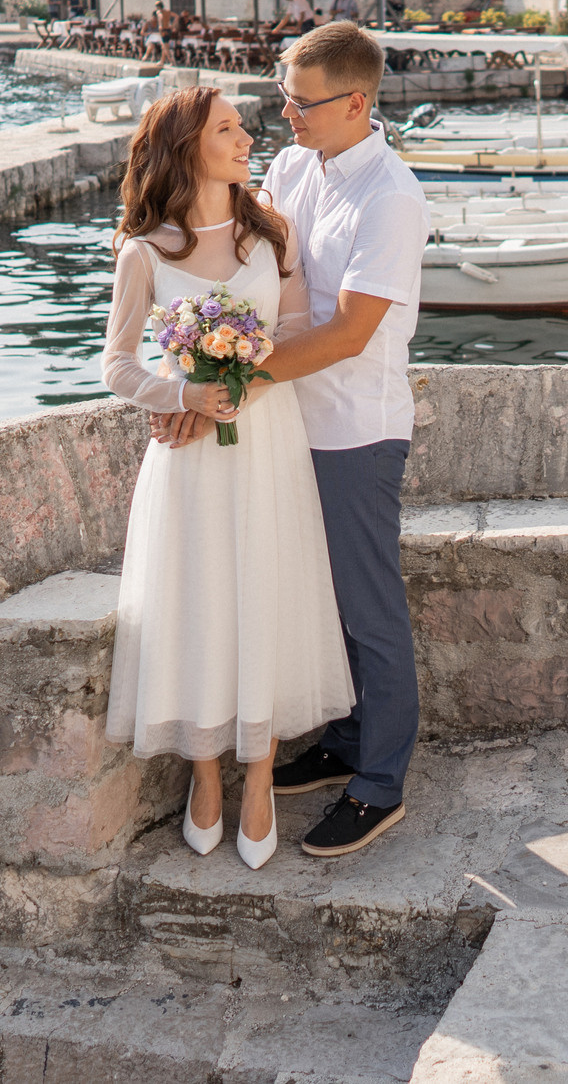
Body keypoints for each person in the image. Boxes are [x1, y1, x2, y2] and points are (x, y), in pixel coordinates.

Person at [156, 21, 428, 860]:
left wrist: (228, 386)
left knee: (366, 604)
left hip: (353, 428)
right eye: (281, 96)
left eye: (299, 101)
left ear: (355, 102)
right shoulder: (288, 168)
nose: (285, 113)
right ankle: (343, 742)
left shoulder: (392, 196)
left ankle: (380, 781)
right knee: (309, 594)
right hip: (285, 427)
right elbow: (243, 270)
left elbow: (348, 332)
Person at [100, 87, 355, 869]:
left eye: (244, 124)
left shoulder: (272, 233)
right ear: (188, 147)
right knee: (200, 599)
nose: (249, 136)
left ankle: (256, 777)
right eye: (228, 128)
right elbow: (116, 363)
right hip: (187, 461)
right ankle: (204, 772)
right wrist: (183, 396)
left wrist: (237, 390)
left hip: (266, 441)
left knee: (263, 593)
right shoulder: (144, 249)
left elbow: (302, 333)